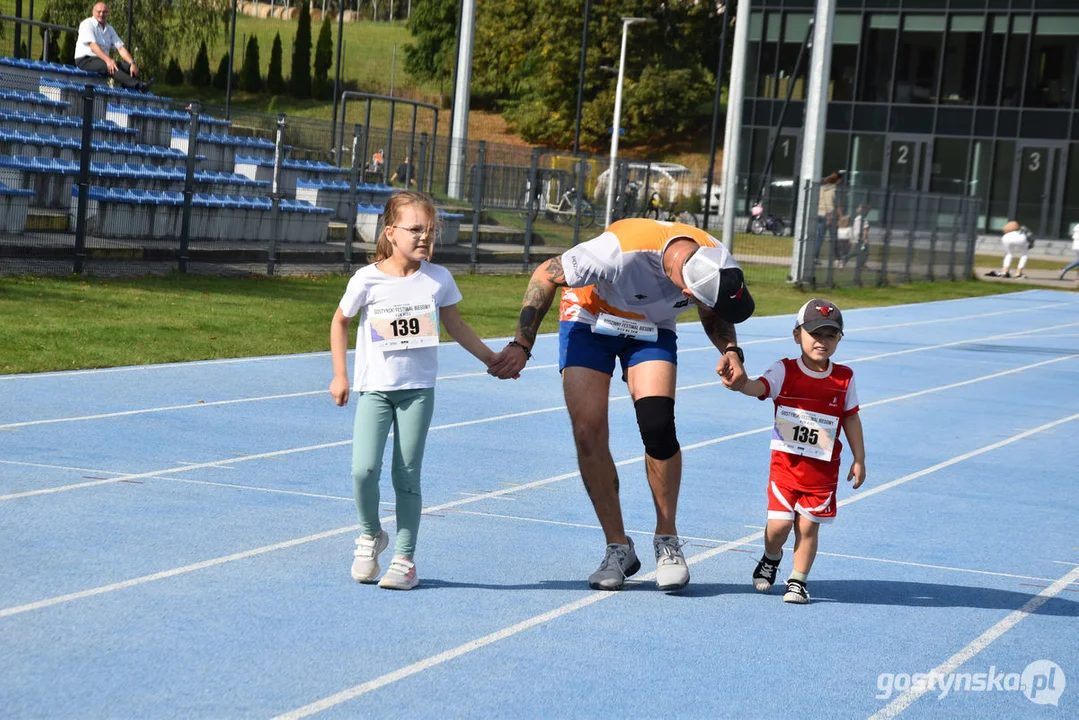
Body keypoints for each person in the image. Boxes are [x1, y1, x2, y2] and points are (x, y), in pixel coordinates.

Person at [487, 218, 756, 592]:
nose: (697, 305)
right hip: (590, 318)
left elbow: (715, 311)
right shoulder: (617, 251)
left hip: (651, 329)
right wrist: (522, 344)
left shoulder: (715, 259)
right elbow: (546, 273)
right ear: (685, 287)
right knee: (588, 430)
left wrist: (730, 349)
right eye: (695, 299)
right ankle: (618, 547)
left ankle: (667, 539)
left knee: (657, 424)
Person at [329, 190, 505, 590]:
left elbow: (457, 326)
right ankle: (370, 533)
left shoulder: (438, 279)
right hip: (375, 389)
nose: (424, 237)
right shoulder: (367, 278)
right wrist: (340, 374)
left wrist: (490, 359)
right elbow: (340, 322)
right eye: (415, 230)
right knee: (363, 470)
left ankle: (404, 559)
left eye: (430, 230)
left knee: (406, 474)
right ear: (390, 232)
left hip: (417, 390)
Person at [724, 299, 866, 605]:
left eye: (830, 335)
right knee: (779, 527)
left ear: (839, 339)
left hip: (822, 474)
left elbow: (851, 417)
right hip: (785, 469)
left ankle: (797, 581)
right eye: (815, 334)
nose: (822, 341)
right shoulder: (784, 370)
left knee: (807, 527)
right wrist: (740, 384)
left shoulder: (844, 378)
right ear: (796, 335)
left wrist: (859, 458)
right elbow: (759, 388)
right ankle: (770, 557)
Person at [74, 3, 151, 91]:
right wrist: (108, 61)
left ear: (108, 13)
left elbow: (121, 48)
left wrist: (132, 63)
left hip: (101, 60)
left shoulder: (109, 29)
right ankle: (139, 86)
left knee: (128, 67)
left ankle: (129, 90)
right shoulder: (87, 24)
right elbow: (93, 46)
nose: (101, 14)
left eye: (104, 12)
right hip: (85, 60)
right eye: (99, 12)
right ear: (93, 12)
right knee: (111, 67)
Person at [813, 171, 844, 265]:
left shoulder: (822, 187)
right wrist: (830, 216)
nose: (840, 182)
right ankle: (838, 258)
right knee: (833, 237)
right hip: (828, 215)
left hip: (819, 213)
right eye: (840, 180)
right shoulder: (832, 189)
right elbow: (830, 203)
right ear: (837, 179)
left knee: (820, 237)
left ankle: (815, 257)